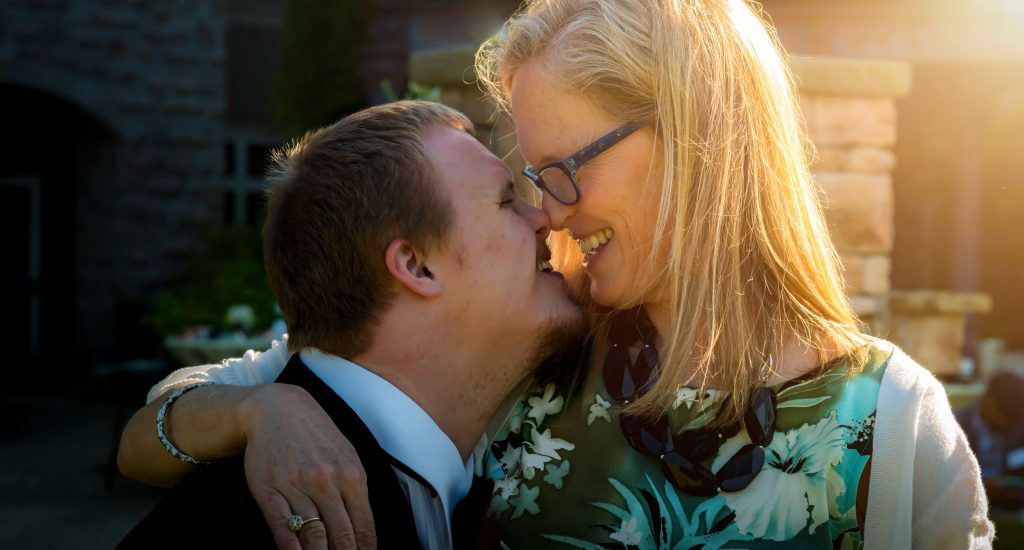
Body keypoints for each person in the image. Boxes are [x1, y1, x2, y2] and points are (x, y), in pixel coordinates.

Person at [120, 1, 993, 548]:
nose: (550, 211)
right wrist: (261, 408)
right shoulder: (535, 347)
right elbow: (157, 425)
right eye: (530, 182)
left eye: (560, 169)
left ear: (696, 140)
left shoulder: (893, 420)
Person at [116, 100, 585, 549]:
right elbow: (139, 441)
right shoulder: (267, 524)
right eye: (507, 201)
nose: (545, 218)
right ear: (416, 266)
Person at [957, 371, 1024, 508]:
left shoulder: (1017, 422)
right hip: (968, 503)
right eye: (1002, 416)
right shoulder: (956, 426)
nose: (1006, 424)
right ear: (988, 400)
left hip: (1012, 501)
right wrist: (979, 482)